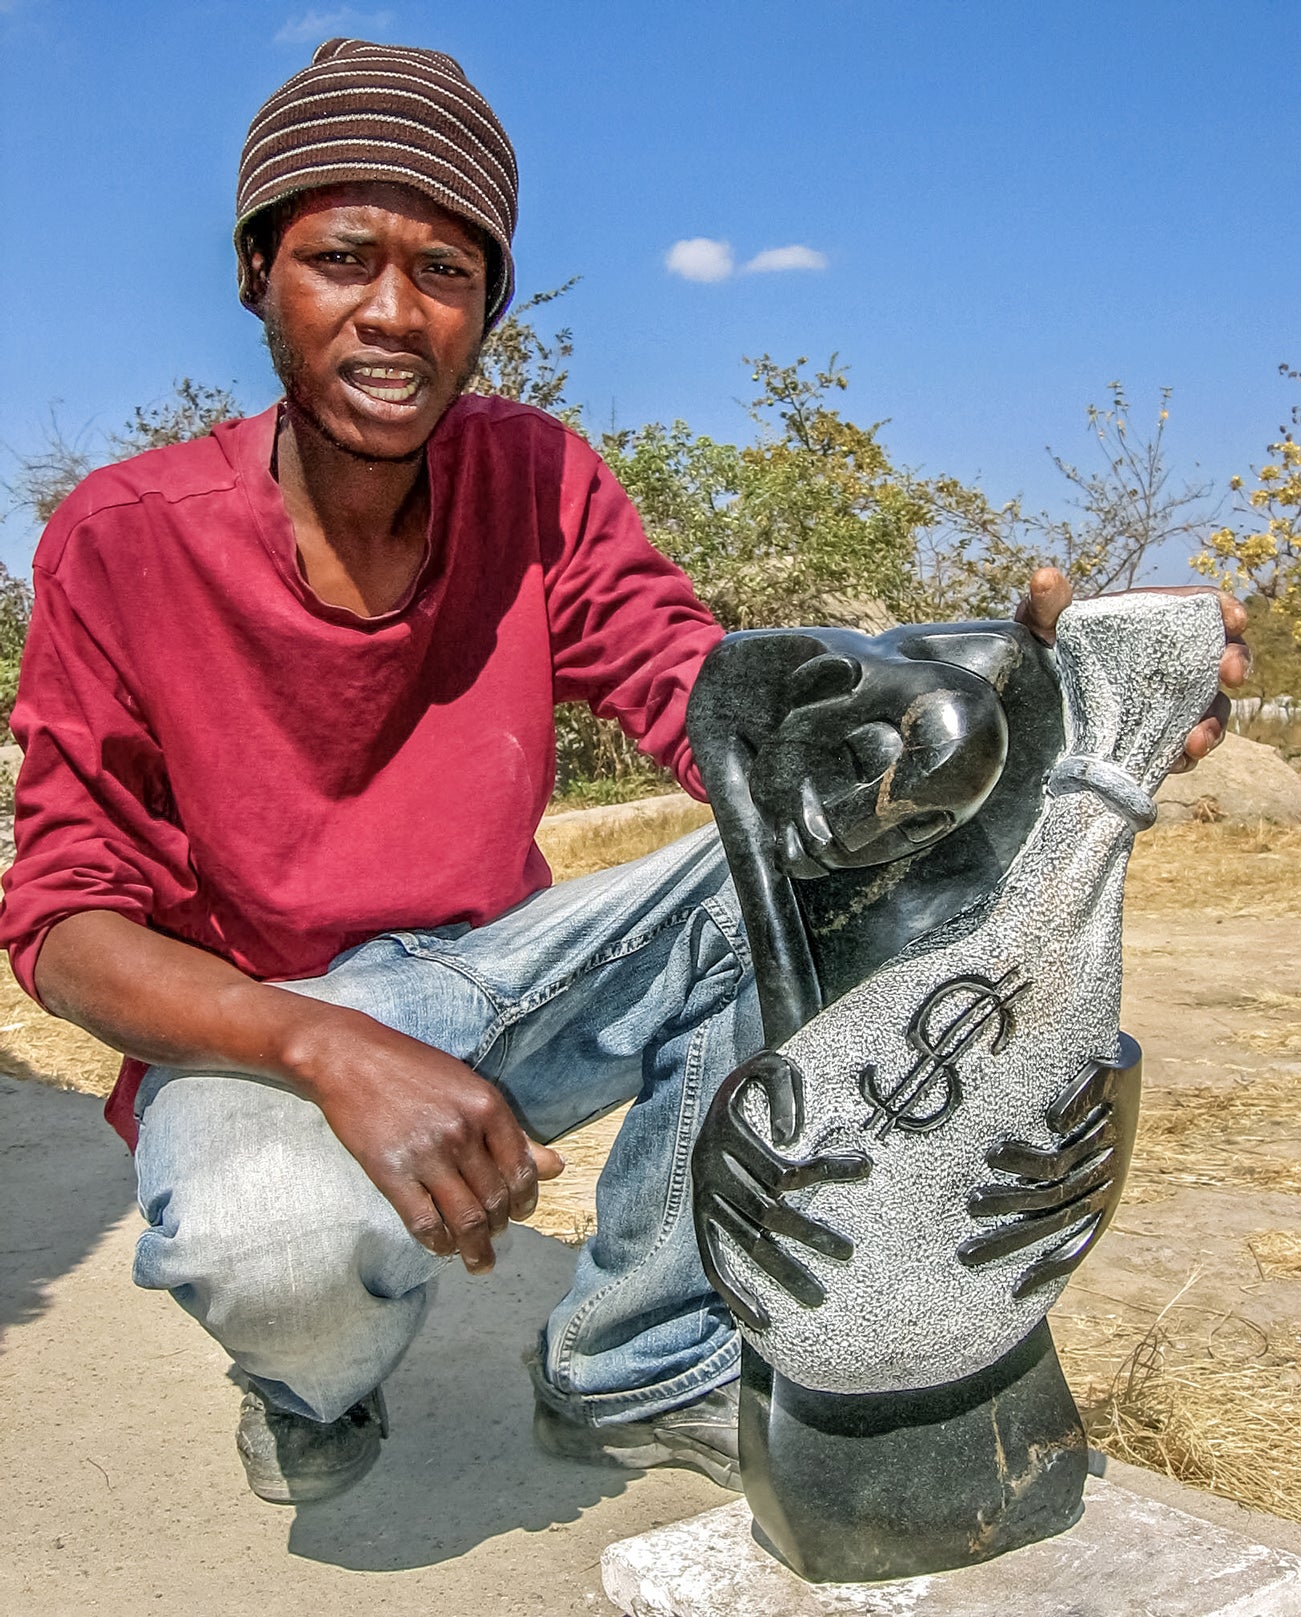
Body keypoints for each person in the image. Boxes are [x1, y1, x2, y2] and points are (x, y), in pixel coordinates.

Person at [0, 38, 1247, 1507]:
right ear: (258, 270)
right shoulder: (124, 533)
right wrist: (323, 1048)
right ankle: (304, 1381)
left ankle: (637, 1359)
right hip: (259, 1022)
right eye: (342, 257)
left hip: (504, 974)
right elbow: (61, 921)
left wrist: (1024, 685)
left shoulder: (536, 481)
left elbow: (710, 702)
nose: (395, 313)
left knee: (815, 857)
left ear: (490, 305)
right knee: (273, 1258)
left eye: (446, 270)